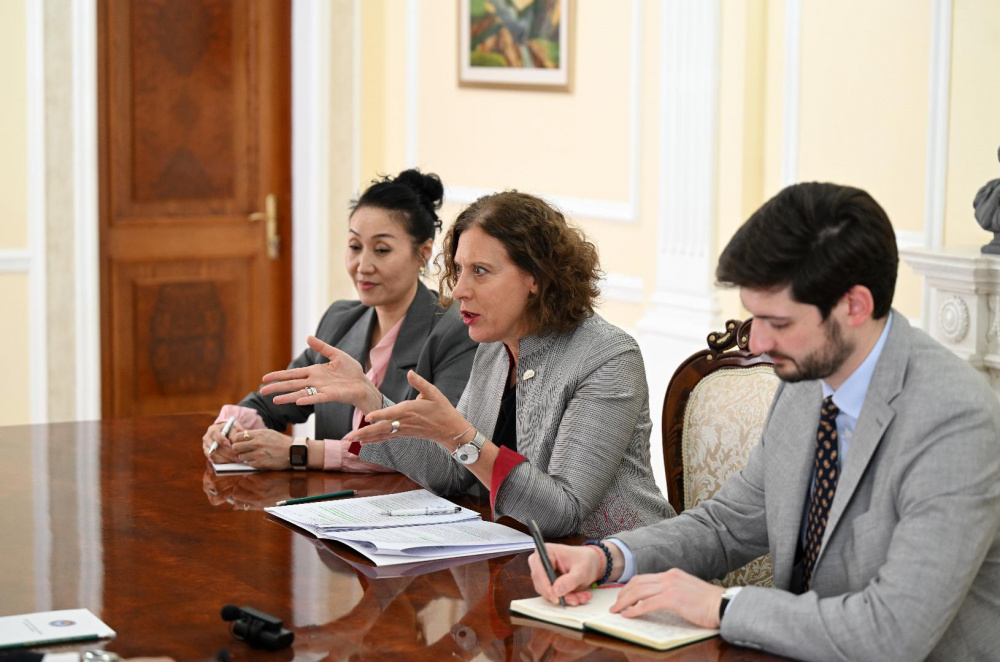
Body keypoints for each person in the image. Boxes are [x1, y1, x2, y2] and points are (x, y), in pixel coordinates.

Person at [528, 182, 1000, 661]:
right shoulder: (808, 382)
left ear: (855, 306)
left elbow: (892, 632)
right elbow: (728, 525)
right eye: (755, 317)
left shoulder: (955, 420)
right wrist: (606, 558)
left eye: (779, 322)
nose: (756, 343)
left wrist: (721, 606)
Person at [261, 191, 675, 537]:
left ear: (536, 277)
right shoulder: (495, 348)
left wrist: (460, 436)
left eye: (480, 271)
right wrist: (370, 399)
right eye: (459, 270)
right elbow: (450, 474)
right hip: (522, 562)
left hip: (621, 569)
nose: (459, 290)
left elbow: (562, 514)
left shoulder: (608, 357)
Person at [203, 169, 477, 472]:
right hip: (334, 498)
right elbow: (270, 404)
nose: (363, 265)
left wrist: (302, 452)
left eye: (381, 250)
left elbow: (438, 455)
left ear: (423, 253)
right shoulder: (341, 321)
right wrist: (229, 429)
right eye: (355, 247)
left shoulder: (455, 330)